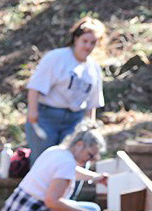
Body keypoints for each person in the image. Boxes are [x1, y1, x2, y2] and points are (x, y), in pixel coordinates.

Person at [25, 17, 106, 156]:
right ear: (76, 39)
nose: (88, 46)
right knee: (44, 160)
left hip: (75, 120)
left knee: (73, 161)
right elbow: (35, 87)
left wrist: (89, 126)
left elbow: (92, 102)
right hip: (48, 117)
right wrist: (33, 114)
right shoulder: (57, 58)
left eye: (92, 43)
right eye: (85, 41)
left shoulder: (94, 68)